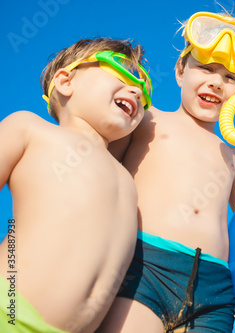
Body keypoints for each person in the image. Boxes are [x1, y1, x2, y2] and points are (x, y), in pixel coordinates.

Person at [97, 11, 235, 333]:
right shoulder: (147, 120)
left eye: (231, 78)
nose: (217, 82)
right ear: (180, 71)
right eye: (205, 68)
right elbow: (100, 173)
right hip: (144, 266)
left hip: (214, 289)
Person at [0, 37, 152, 332]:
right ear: (66, 82)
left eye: (145, 88)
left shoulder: (127, 181)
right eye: (122, 71)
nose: (137, 89)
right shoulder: (31, 130)